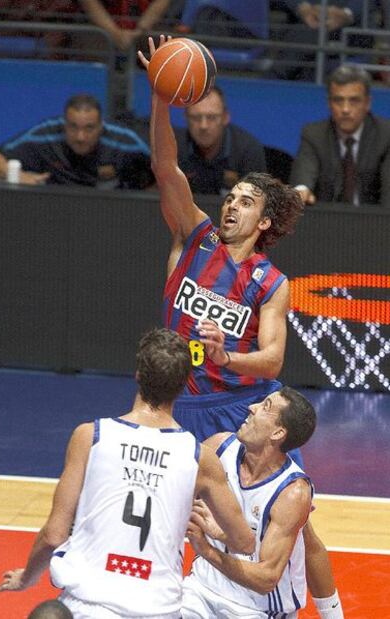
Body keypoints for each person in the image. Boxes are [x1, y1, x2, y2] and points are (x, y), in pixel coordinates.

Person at [138, 36, 343, 619]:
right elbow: (164, 165)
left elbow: (274, 361)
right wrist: (160, 97)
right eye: (231, 196)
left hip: (244, 406)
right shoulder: (193, 234)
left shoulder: (270, 282)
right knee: (177, 515)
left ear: (265, 219)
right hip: (188, 406)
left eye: (246, 201)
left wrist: (227, 357)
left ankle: (331, 611)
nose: (231, 205)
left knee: (295, 522)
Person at [0, 328, 255, 618]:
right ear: (184, 385)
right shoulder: (201, 458)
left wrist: (26, 578)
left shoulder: (90, 436)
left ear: (138, 376)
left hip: (86, 605)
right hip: (159, 610)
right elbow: (244, 542)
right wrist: (206, 531)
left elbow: (54, 536)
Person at [182, 387, 317, 618]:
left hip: (257, 608)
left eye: (265, 407)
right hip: (201, 589)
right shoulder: (219, 446)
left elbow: (266, 579)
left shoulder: (292, 493)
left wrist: (206, 549)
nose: (251, 408)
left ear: (278, 433)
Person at [0, 93, 154, 189]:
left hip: (110, 211)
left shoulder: (123, 141)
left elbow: (163, 172)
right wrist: (19, 176)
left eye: (89, 128)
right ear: (64, 124)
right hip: (56, 209)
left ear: (101, 126)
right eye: (72, 127)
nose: (80, 137)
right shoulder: (47, 135)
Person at [290, 65, 390, 207]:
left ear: (367, 103)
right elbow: (304, 175)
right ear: (329, 103)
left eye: (354, 101)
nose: (345, 109)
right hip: (326, 223)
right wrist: (301, 190)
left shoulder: (385, 135)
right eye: (338, 100)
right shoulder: (314, 134)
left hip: (374, 222)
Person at [174, 86, 267, 195]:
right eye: (196, 117)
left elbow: (257, 204)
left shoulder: (248, 151)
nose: (203, 126)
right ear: (185, 118)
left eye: (212, 117)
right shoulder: (173, 148)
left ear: (225, 118)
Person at [271, 0, 375, 81]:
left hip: (351, 32)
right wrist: (302, 7)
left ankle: (276, 75)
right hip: (303, 26)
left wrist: (347, 13)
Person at [77, 0, 172, 52]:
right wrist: (115, 33)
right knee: (90, 48)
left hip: (144, 30)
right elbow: (89, 3)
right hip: (103, 30)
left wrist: (140, 30)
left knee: (170, 46)